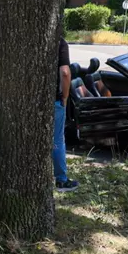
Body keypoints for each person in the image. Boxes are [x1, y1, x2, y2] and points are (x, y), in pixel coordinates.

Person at [54, 37, 79, 191]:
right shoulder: (59, 42)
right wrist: (65, 96)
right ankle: (61, 180)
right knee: (57, 140)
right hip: (53, 101)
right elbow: (65, 72)